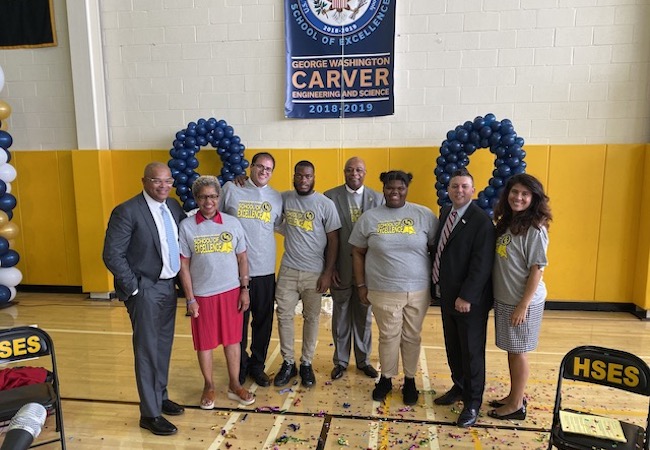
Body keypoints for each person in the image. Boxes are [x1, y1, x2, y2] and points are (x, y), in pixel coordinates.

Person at [102, 162, 186, 436]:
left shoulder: (173, 206)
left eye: (167, 181)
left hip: (168, 287)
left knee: (162, 346)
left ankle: (160, 396)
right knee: (147, 350)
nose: (163, 186)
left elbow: (194, 226)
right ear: (144, 181)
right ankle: (149, 413)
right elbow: (112, 254)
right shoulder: (127, 211)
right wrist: (135, 288)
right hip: (145, 288)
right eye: (156, 181)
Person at [349, 171, 438, 405]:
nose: (395, 192)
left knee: (411, 337)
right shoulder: (369, 218)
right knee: (388, 337)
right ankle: (386, 379)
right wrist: (360, 284)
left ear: (407, 188)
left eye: (400, 188)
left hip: (418, 290)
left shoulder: (424, 215)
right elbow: (357, 252)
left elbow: (435, 249)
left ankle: (410, 381)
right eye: (390, 188)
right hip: (382, 289)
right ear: (383, 188)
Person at [178, 175, 255, 409]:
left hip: (231, 292)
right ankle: (209, 385)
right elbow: (184, 266)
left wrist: (244, 289)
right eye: (203, 197)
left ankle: (234, 384)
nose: (208, 201)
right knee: (205, 344)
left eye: (212, 196)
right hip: (202, 295)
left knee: (233, 342)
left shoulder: (232, 223)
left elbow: (242, 258)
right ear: (196, 199)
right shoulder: (187, 226)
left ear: (219, 197)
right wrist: (190, 298)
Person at [431, 168, 495, 428]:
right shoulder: (446, 212)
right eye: (455, 186)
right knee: (453, 346)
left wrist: (467, 296)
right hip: (447, 295)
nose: (459, 191)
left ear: (473, 189)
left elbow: (482, 264)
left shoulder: (481, 221)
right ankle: (459, 386)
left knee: (471, 352)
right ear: (449, 190)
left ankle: (473, 401)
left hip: (469, 300)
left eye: (464, 187)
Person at [487, 173, 551, 421]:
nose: (519, 197)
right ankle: (515, 395)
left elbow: (537, 268)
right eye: (515, 192)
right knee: (512, 351)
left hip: (522, 302)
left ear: (533, 198)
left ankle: (516, 405)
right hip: (506, 299)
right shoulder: (507, 222)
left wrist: (522, 305)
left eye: (525, 194)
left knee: (519, 351)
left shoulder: (535, 228)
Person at [273, 160, 341, 388]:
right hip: (288, 270)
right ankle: (288, 363)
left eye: (308, 176)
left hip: (315, 272)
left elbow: (334, 239)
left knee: (311, 318)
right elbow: (259, 196)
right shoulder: (283, 198)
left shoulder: (325, 204)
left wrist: (327, 272)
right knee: (283, 316)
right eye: (300, 176)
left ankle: (306, 363)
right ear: (293, 176)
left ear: (314, 177)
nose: (303, 180)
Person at [220, 152, 282, 388]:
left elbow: (281, 225)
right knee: (238, 323)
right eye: (260, 167)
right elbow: (218, 218)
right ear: (250, 167)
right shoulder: (231, 188)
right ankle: (241, 366)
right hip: (235, 272)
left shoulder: (277, 197)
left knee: (263, 322)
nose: (264, 171)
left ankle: (257, 366)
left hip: (265, 270)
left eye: (269, 169)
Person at [324, 157, 383, 381]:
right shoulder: (330, 196)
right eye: (349, 170)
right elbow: (325, 237)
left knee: (364, 317)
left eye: (358, 169)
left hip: (366, 272)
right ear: (344, 172)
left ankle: (363, 360)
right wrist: (329, 269)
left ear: (365, 172)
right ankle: (340, 361)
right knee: (340, 316)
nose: (354, 173)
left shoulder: (377, 198)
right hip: (340, 268)